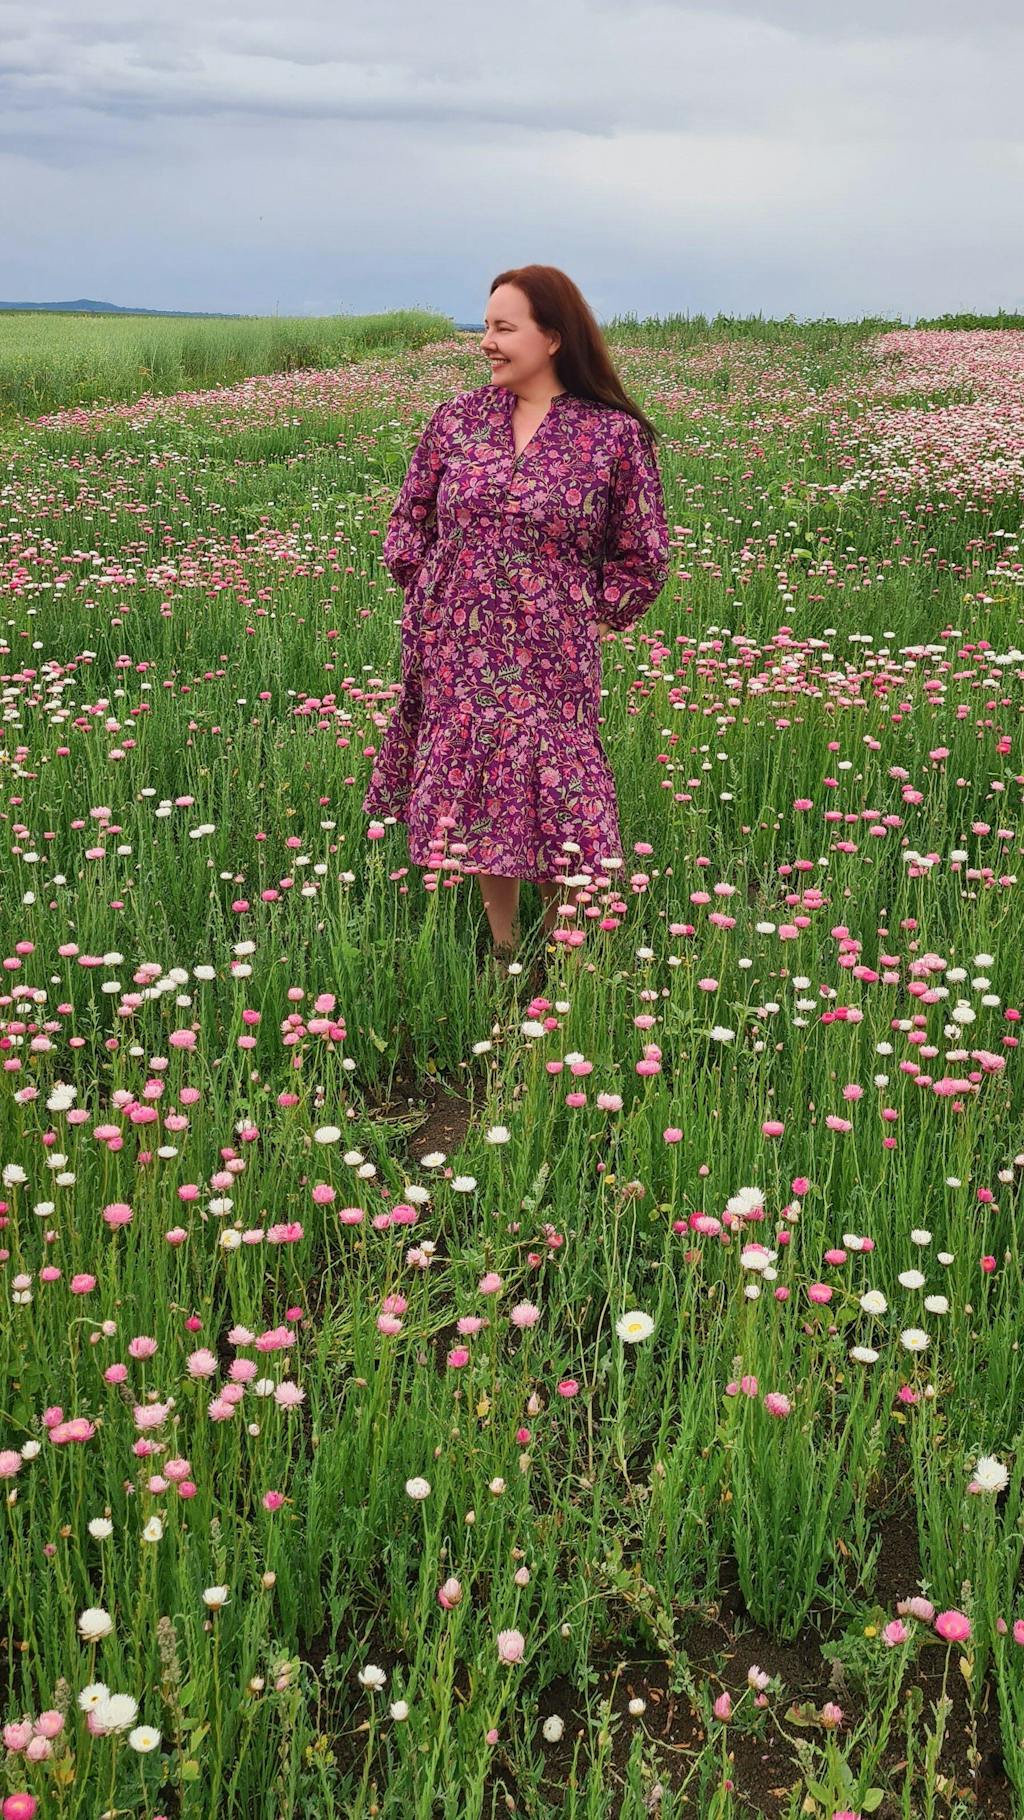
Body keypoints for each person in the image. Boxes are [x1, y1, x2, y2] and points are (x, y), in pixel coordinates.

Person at [362, 263, 670, 979]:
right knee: (479, 785)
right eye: (486, 326)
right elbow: (408, 521)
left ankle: (568, 953)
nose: (487, 342)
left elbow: (644, 549)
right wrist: (432, 594)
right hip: (456, 647)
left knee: (561, 790)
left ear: (553, 337)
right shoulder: (457, 420)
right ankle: (503, 946)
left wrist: (598, 615)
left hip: (551, 653)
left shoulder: (612, 436)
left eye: (504, 328)